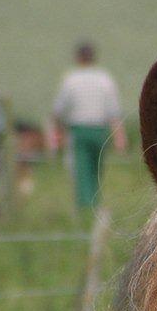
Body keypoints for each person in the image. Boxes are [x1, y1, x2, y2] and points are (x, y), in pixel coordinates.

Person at [51, 41, 127, 210]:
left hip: (79, 131)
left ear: (78, 58)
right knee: (96, 169)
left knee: (81, 170)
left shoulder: (71, 80)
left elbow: (58, 110)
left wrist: (57, 132)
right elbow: (114, 112)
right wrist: (119, 137)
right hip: (100, 130)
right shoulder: (105, 79)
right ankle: (94, 204)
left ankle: (85, 207)